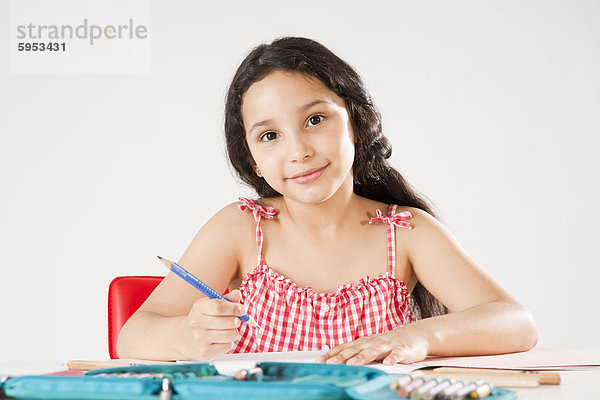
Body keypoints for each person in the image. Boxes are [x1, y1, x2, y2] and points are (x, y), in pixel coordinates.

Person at [117, 36, 537, 366]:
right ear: (253, 161)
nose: (298, 150)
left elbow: (515, 323)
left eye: (315, 120)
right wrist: (184, 338)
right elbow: (133, 335)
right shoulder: (242, 227)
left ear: (355, 123)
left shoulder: (405, 232)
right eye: (270, 136)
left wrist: (419, 336)